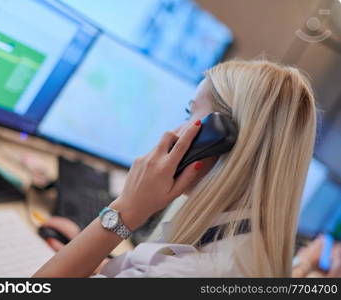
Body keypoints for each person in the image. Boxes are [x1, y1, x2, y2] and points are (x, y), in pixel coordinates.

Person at [34, 59, 317, 277]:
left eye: (192, 115)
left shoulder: (190, 272)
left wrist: (128, 210)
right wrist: (90, 258)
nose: (175, 132)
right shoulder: (250, 243)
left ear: (217, 140)